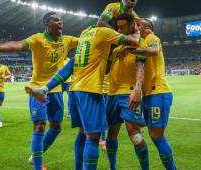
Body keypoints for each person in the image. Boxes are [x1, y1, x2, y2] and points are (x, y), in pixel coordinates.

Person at [25, 19, 140, 170]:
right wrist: (136, 30)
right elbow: (135, 42)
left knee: (82, 134)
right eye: (118, 28)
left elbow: (76, 64)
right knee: (93, 138)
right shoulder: (106, 32)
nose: (119, 30)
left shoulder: (85, 33)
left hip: (74, 90)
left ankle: (45, 88)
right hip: (90, 90)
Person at [0, 12, 78, 170]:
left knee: (56, 127)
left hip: (55, 90)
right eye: (56, 20)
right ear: (47, 24)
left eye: (61, 20)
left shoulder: (67, 40)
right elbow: (18, 45)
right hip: (37, 89)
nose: (61, 23)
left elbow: (87, 43)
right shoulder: (38, 39)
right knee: (39, 126)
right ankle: (38, 166)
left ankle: (37, 154)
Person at [125, 18, 177, 170]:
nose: (135, 26)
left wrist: (129, 50)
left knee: (157, 136)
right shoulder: (141, 42)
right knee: (150, 132)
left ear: (146, 28)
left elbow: (154, 51)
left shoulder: (152, 38)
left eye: (138, 24)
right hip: (148, 94)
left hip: (158, 92)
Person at [105, 13, 149, 170]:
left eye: (122, 26)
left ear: (132, 25)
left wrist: (137, 89)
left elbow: (140, 66)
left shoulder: (141, 43)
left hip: (128, 93)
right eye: (117, 27)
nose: (119, 29)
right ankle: (112, 167)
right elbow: (106, 70)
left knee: (135, 135)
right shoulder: (118, 44)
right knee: (111, 134)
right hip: (111, 94)